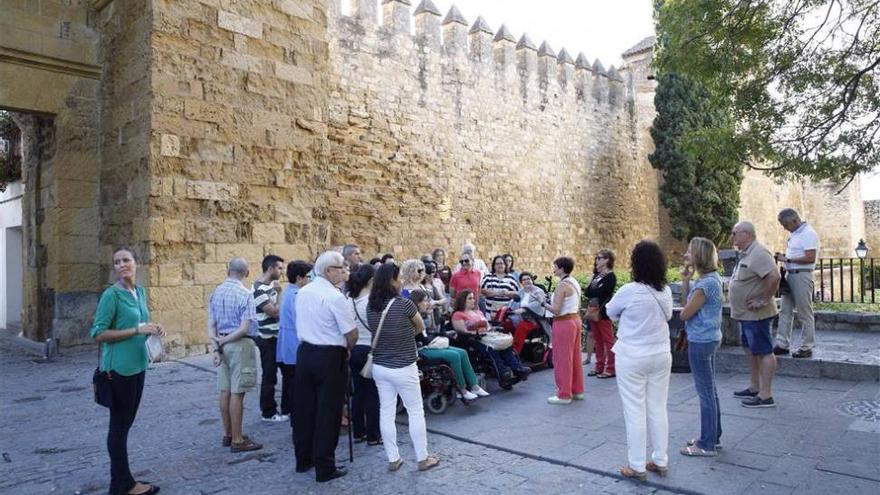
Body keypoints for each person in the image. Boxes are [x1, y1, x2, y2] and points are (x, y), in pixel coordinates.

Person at [90, 246, 165, 495]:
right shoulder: (111, 295)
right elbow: (98, 333)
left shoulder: (139, 291)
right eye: (117, 262)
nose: (122, 264)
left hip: (138, 366)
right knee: (119, 427)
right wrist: (136, 331)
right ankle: (124, 485)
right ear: (115, 268)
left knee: (126, 424)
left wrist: (153, 328)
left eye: (126, 260)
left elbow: (140, 322)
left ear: (136, 263)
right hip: (118, 370)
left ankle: (119, 482)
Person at [605, 240, 673, 481]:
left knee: (634, 410)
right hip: (661, 354)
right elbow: (669, 315)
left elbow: (609, 311)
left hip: (633, 355)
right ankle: (661, 460)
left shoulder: (629, 291)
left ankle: (637, 466)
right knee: (658, 407)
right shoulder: (664, 290)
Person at [367, 264, 441, 472]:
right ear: (392, 281)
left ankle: (393, 459)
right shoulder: (404, 304)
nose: (401, 281)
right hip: (403, 365)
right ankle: (422, 458)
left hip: (380, 366)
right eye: (398, 278)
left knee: (386, 411)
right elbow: (420, 326)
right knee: (415, 412)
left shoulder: (371, 306)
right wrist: (405, 332)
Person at [293, 251, 358, 482]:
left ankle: (303, 459)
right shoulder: (334, 296)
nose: (344, 271)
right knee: (328, 412)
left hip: (305, 353)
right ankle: (324, 466)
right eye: (341, 267)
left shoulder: (303, 292)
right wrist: (347, 348)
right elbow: (350, 333)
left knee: (305, 410)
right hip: (329, 355)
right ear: (329, 270)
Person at [208, 258, 262, 453]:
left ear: (227, 270)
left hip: (222, 343)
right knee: (237, 392)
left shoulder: (216, 292)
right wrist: (224, 341)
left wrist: (216, 346)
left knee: (225, 390)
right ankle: (238, 440)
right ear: (247, 273)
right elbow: (244, 328)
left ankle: (228, 433)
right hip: (239, 345)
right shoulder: (246, 294)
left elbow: (211, 324)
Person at [679, 238, 723, 457]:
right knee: (710, 390)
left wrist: (683, 311)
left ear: (699, 255)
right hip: (709, 338)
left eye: (689, 251)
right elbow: (687, 300)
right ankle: (713, 436)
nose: (686, 254)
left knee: (705, 392)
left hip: (701, 341)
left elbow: (685, 312)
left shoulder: (705, 285)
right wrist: (686, 279)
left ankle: (706, 444)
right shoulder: (709, 279)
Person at [729, 221, 781, 408]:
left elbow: (774, 276)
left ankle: (766, 395)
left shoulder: (759, 252)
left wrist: (763, 299)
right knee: (751, 350)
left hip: (756, 314)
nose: (732, 237)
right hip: (745, 314)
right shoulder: (746, 254)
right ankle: (754, 386)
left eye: (735, 233)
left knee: (764, 351)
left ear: (747, 234)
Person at [409, 289, 489, 400]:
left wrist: (444, 334)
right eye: (425, 301)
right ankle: (462, 389)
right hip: (421, 349)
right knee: (454, 355)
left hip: (428, 345)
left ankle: (474, 385)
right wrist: (441, 336)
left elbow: (426, 335)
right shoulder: (414, 317)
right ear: (418, 302)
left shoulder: (421, 315)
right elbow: (421, 338)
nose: (428, 304)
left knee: (462, 352)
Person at [451, 289, 531, 384]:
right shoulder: (458, 315)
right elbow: (461, 330)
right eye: (470, 298)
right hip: (473, 339)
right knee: (491, 349)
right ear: (463, 300)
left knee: (506, 345)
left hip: (487, 336)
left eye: (473, 298)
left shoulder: (478, 312)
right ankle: (503, 373)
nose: (473, 300)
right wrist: (476, 333)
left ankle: (517, 369)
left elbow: (487, 325)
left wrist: (490, 329)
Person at [773, 208, 820, 358]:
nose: (784, 227)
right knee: (785, 311)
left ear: (794, 220)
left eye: (785, 224)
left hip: (801, 275)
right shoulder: (795, 234)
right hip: (791, 274)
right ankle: (782, 343)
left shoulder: (808, 234)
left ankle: (807, 346)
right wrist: (785, 258)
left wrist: (787, 259)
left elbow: (810, 257)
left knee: (804, 312)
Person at [540, 256, 585, 404]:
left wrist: (541, 302)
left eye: (555, 266)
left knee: (562, 358)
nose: (554, 269)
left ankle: (564, 394)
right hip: (575, 320)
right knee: (575, 357)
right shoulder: (574, 282)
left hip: (563, 322)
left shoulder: (562, 285)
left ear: (561, 268)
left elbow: (556, 310)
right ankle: (577, 390)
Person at [347, 264, 381, 446]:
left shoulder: (349, 299)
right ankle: (373, 435)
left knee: (359, 392)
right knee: (372, 393)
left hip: (354, 348)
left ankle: (358, 431)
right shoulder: (371, 302)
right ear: (371, 281)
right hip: (369, 348)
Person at [277, 260, 313, 434]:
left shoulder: (288, 292)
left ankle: (287, 408)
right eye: (307, 277)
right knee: (294, 380)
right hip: (294, 342)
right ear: (299, 278)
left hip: (287, 340)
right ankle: (293, 411)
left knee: (289, 378)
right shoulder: (297, 295)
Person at [253, 254, 289, 423]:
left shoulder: (271, 288)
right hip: (267, 338)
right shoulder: (258, 289)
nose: (282, 272)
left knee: (288, 372)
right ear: (270, 268)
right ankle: (268, 412)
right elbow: (274, 311)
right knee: (269, 376)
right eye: (279, 268)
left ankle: (287, 409)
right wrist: (280, 294)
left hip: (278, 336)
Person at [585, 250, 618, 379]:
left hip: (603, 312)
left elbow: (602, 292)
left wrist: (593, 289)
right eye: (596, 257)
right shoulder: (596, 275)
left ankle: (611, 368)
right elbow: (588, 293)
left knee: (608, 340)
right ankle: (599, 366)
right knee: (597, 340)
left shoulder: (610, 276)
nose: (597, 260)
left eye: (600, 258)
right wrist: (593, 288)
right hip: (593, 310)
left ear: (607, 260)